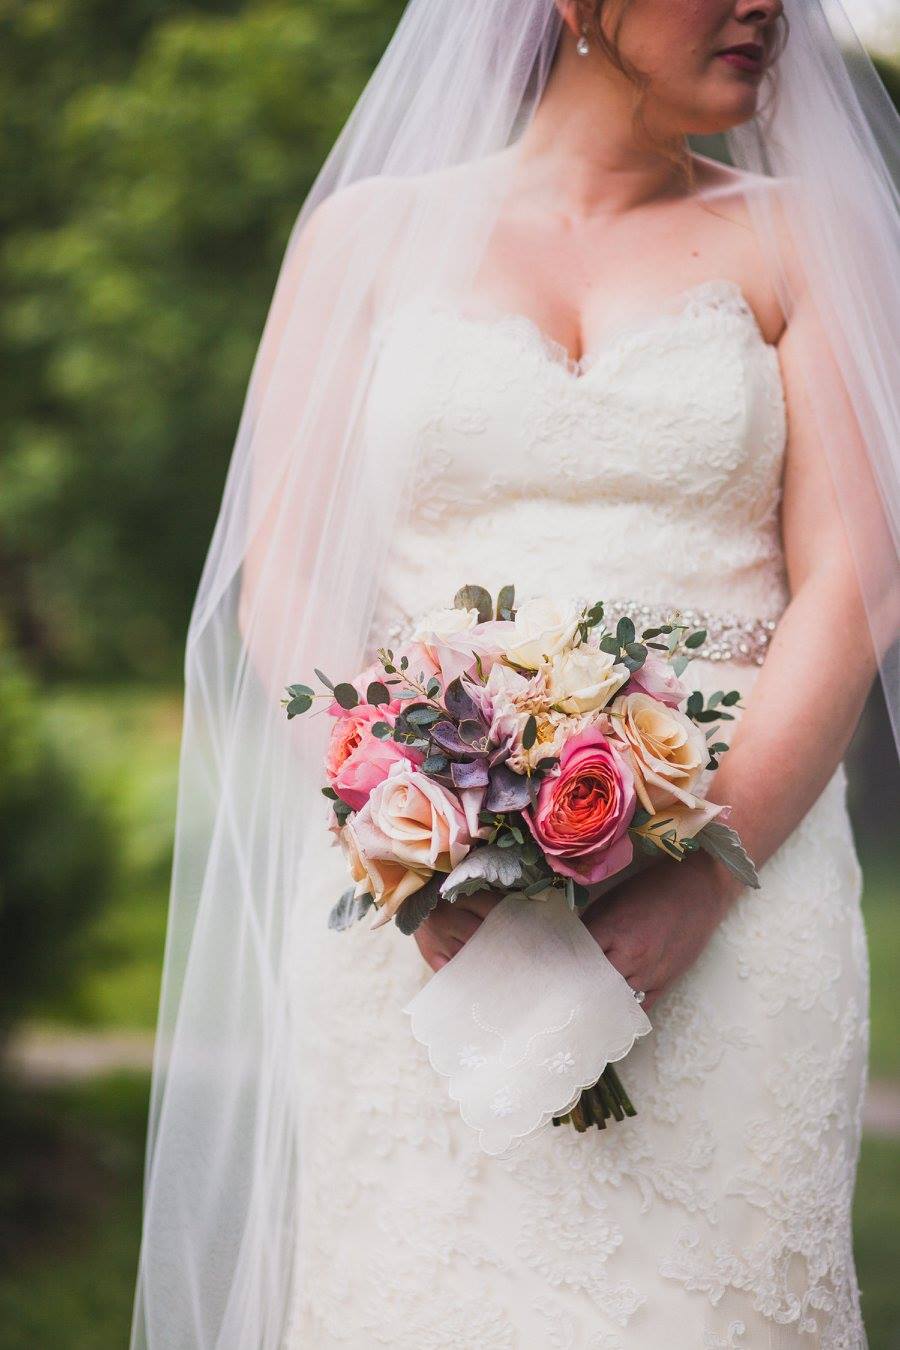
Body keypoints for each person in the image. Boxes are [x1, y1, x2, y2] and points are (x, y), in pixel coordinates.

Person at [131, 2, 899, 1348]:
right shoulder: (365, 238)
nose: (768, 5)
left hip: (747, 895)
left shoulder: (801, 239)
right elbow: (290, 579)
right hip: (425, 915)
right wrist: (402, 838)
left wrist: (705, 878)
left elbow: (855, 584)